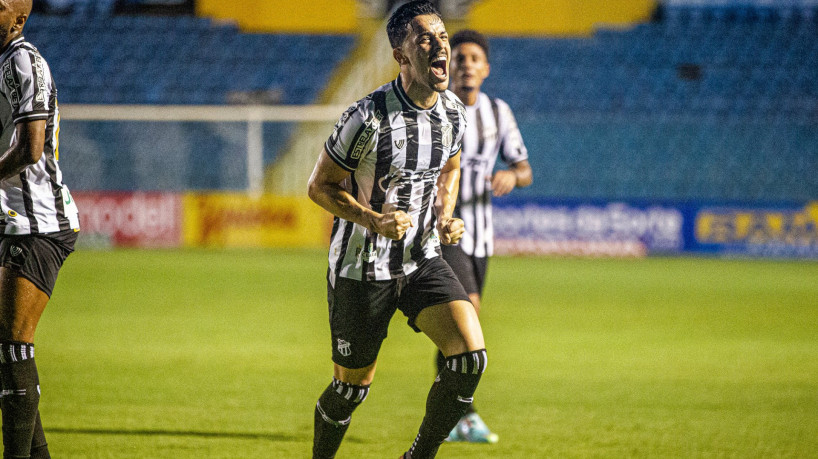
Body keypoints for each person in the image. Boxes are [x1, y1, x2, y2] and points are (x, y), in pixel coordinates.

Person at [307, 2, 487, 458]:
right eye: (425, 37)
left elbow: (451, 166)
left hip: (422, 258)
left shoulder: (452, 114)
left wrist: (445, 213)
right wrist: (373, 220)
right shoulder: (366, 118)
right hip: (362, 268)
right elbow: (319, 186)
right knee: (350, 390)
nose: (439, 44)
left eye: (443, 36)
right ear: (401, 55)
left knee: (469, 355)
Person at [438, 29, 533, 444]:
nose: (466, 64)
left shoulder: (498, 112)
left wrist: (512, 174)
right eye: (459, 57)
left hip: (482, 236)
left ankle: (449, 414)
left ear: (486, 68)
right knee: (467, 315)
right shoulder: (437, 108)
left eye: (474, 57)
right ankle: (465, 414)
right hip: (446, 229)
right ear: (449, 66)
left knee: (457, 327)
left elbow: (526, 169)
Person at [0, 1, 80, 458]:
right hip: (13, 221)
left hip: (38, 222)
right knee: (7, 348)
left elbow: (31, 149)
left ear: (19, 19)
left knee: (13, 342)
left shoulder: (23, 61)